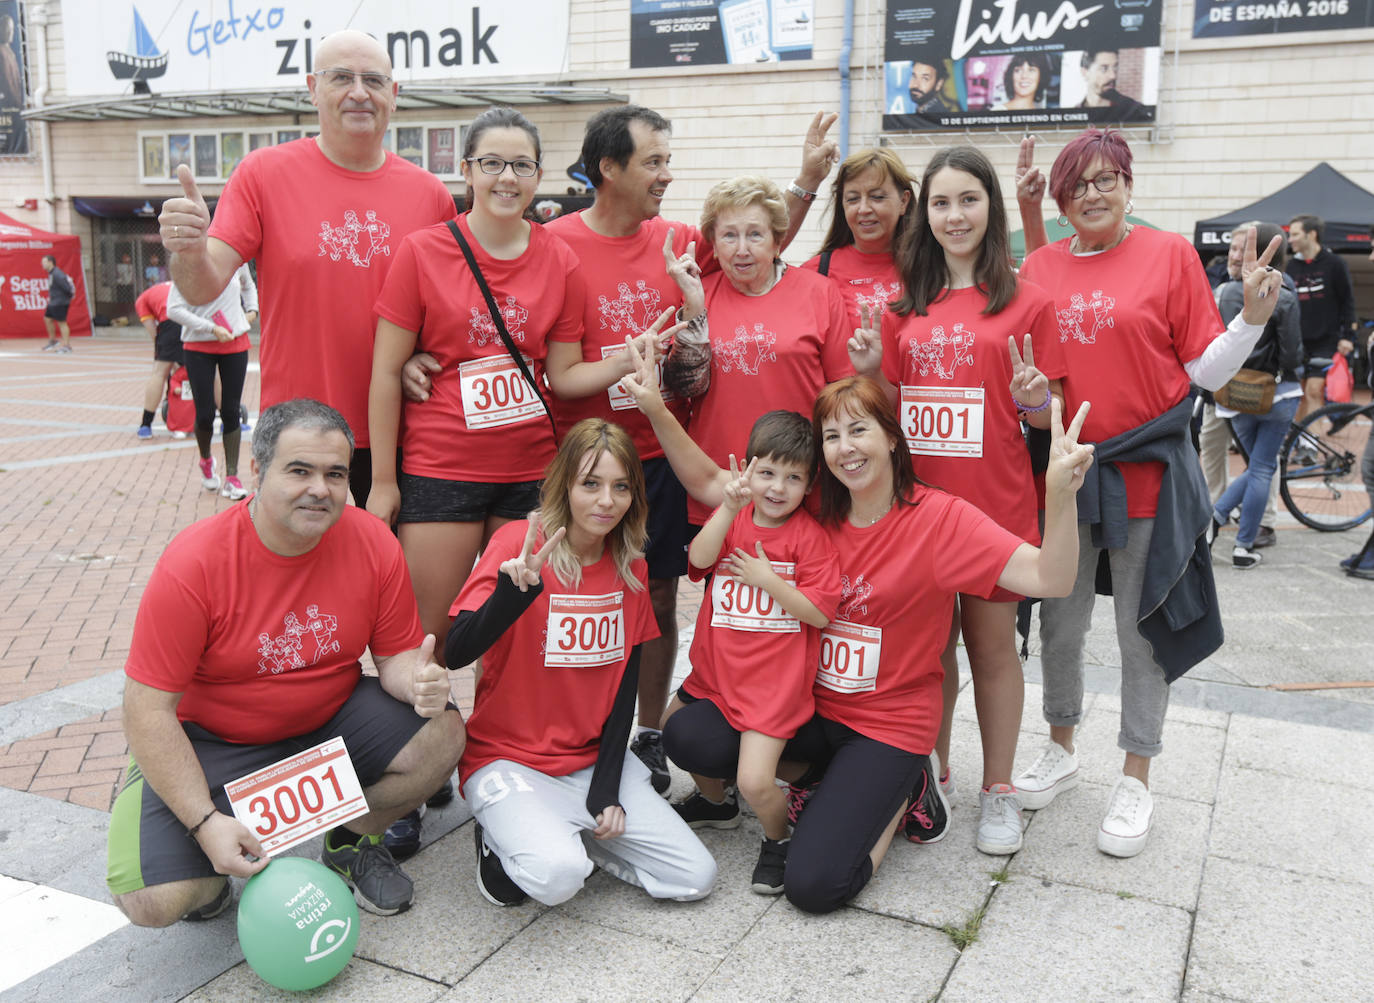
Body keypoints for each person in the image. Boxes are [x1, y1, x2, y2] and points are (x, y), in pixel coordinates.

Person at [530, 105, 837, 795]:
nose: (668, 174)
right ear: (609, 170)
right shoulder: (555, 241)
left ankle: (644, 730)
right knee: (576, 592)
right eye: (655, 163)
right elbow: (531, 335)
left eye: (669, 161)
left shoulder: (677, 239)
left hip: (666, 455)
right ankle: (568, 731)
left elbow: (752, 237)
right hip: (586, 451)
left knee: (658, 592)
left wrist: (806, 182)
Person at [1013, 128, 1283, 857]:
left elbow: (1202, 370)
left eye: (1107, 180)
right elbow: (1045, 392)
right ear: (1061, 198)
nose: (1092, 194)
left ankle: (1136, 772)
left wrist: (1250, 320)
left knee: (1142, 630)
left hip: (1149, 476)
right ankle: (1061, 744)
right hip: (1070, 477)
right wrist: (1036, 408)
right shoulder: (1039, 265)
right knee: (1059, 624)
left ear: (1130, 185)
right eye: (1079, 185)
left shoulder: (1167, 255)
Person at [106, 399, 465, 926]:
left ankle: (347, 843)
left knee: (443, 735)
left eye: (335, 474)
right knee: (155, 902)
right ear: (256, 468)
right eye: (299, 470)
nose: (320, 488)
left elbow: (393, 658)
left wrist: (419, 681)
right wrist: (205, 824)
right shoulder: (195, 564)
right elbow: (147, 710)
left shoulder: (371, 541)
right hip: (213, 739)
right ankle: (204, 869)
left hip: (327, 720)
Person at [368, 107, 670, 681]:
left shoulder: (559, 258)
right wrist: (384, 482)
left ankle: (493, 756)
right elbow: (386, 373)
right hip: (442, 468)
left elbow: (563, 375)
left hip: (530, 472)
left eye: (521, 165)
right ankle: (428, 756)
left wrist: (628, 358)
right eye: (492, 163)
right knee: (429, 638)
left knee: (510, 631)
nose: (507, 177)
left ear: (538, 174)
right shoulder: (424, 251)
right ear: (467, 170)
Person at [779, 377, 1092, 913]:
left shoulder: (939, 518)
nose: (845, 447)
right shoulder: (812, 510)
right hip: (814, 711)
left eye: (859, 430)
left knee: (813, 886)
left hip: (887, 725)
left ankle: (906, 790)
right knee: (702, 739)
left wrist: (1059, 496)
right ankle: (835, 786)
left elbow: (1050, 579)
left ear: (893, 438)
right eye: (831, 436)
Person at [849, 145, 1065, 856]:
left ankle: (997, 788)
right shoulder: (903, 307)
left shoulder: (1028, 301)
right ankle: (929, 775)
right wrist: (870, 374)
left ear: (990, 207)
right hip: (918, 515)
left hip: (995, 513)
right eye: (941, 202)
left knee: (993, 649)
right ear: (925, 214)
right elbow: (890, 415)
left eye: (968, 199)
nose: (955, 215)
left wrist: (1037, 401)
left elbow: (1046, 414)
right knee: (928, 655)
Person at [157, 29, 457, 507]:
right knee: (301, 577)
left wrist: (424, 355)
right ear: (313, 88)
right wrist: (188, 250)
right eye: (342, 78)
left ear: (394, 96)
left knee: (394, 579)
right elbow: (202, 287)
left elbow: (448, 314)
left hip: (407, 434)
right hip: (299, 435)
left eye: (374, 80)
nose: (359, 92)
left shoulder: (431, 195)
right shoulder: (262, 174)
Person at [447, 419, 716, 907]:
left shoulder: (631, 564)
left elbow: (623, 689)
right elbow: (455, 650)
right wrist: (510, 596)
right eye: (590, 484)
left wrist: (607, 789)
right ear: (564, 485)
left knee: (695, 877)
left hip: (590, 761)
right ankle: (500, 835)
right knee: (556, 879)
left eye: (620, 487)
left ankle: (572, 829)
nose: (606, 501)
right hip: (508, 758)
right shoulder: (519, 540)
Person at [617, 367, 841, 894]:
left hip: (772, 687)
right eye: (766, 473)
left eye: (793, 478)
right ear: (748, 470)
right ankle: (716, 805)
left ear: (810, 484)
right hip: (717, 676)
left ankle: (777, 837)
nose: (778, 488)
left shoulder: (810, 538)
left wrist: (770, 581)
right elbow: (697, 557)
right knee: (675, 732)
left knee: (757, 781)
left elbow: (820, 613)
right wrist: (727, 508)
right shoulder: (735, 514)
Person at [661, 175, 853, 529]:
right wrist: (694, 310)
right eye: (729, 235)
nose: (742, 249)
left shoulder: (819, 293)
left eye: (755, 234)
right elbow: (683, 388)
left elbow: (841, 393)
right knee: (725, 584)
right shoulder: (698, 295)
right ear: (714, 246)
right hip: (720, 479)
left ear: (777, 241)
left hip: (798, 479)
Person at [1211, 223, 1302, 570]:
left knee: (1256, 467)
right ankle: (1243, 545)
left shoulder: (1224, 292)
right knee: (1263, 467)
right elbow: (1292, 354)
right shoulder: (1286, 293)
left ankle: (1214, 518)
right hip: (1276, 393)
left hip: (1233, 393)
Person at [167, 264, 257, 500]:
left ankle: (231, 477)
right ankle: (206, 460)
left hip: (235, 342)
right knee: (205, 414)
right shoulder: (190, 262)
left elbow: (249, 287)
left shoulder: (237, 260)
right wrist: (211, 328)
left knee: (231, 411)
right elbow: (173, 309)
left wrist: (252, 311)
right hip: (198, 346)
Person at [801, 147, 915, 332]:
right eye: (852, 199)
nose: (863, 209)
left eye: (877, 197)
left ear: (903, 201)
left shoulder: (930, 268)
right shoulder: (815, 273)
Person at [1286, 214, 1357, 422]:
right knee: (1297, 393)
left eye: (1295, 234)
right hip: (1297, 341)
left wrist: (1348, 336)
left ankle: (1311, 447)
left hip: (1326, 340)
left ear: (1311, 234)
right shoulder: (1290, 266)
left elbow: (1348, 301)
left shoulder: (1335, 263)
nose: (1290, 240)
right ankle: (1296, 444)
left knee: (1314, 391)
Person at [134, 280, 180, 438]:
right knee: (209, 371)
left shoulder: (142, 300)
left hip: (170, 321)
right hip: (196, 317)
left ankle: (146, 425)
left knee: (159, 372)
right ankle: (228, 420)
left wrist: (168, 358)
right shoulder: (176, 284)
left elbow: (154, 334)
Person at [1076, 51, 1145, 120]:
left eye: (1115, 68)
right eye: (1104, 69)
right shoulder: (1074, 113)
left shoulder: (1134, 111)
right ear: (1085, 73)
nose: (1113, 76)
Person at [40, 255, 75, 353]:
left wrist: (63, 299)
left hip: (60, 302)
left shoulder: (57, 274)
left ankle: (66, 345)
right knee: (47, 319)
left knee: (62, 323)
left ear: (50, 262)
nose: (42, 264)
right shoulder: (51, 273)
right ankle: (53, 341)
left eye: (44, 262)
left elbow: (67, 288)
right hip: (53, 302)